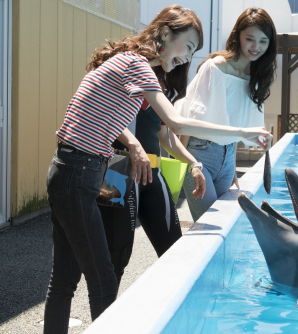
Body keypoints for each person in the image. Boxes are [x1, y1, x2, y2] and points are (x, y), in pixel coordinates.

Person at [44, 5, 272, 333]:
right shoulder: (136, 65)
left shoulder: (135, 67)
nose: (188, 57)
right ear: (166, 33)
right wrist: (243, 133)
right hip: (82, 172)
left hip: (75, 170)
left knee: (65, 280)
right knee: (104, 276)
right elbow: (176, 122)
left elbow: (147, 126)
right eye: (189, 46)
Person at [176, 7, 277, 222]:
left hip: (228, 157)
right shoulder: (214, 68)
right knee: (208, 225)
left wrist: (229, 160)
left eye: (263, 41)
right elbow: (188, 117)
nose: (255, 47)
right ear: (237, 35)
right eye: (249, 38)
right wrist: (185, 165)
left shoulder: (256, 76)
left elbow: (236, 123)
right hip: (200, 153)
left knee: (220, 225)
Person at [99, 99, 206, 287]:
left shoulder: (155, 89)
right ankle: (104, 315)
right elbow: (105, 120)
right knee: (116, 257)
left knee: (173, 250)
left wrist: (193, 164)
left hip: (153, 172)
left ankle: (171, 312)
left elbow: (166, 137)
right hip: (117, 172)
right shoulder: (114, 78)